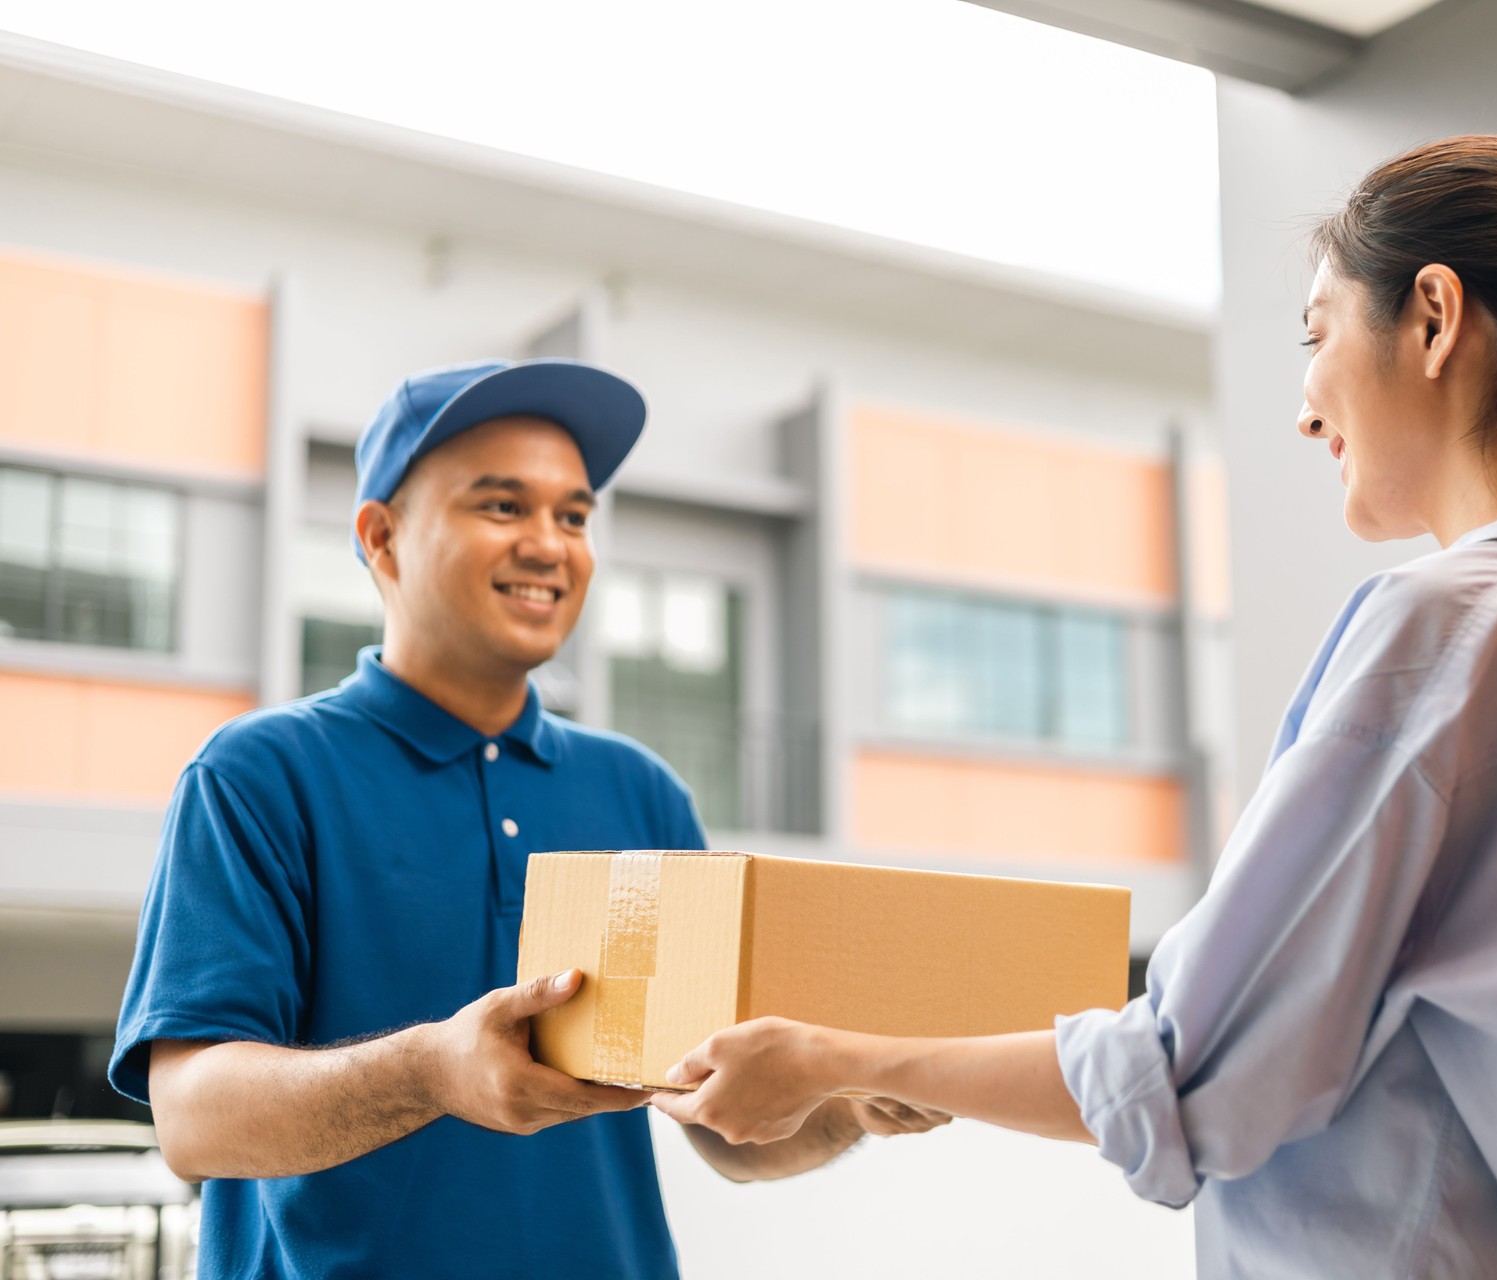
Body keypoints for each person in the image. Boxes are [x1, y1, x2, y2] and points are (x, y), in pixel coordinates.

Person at [648, 137, 1497, 1279]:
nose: (1308, 410)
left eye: (1316, 335)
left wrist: (824, 1058)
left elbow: (1190, 1072)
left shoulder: (1454, 627)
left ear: (1434, 315)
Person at [110, 358, 944, 1279]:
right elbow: (191, 1118)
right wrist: (433, 1070)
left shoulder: (641, 793)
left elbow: (729, 1128)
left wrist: (849, 1103)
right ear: (381, 537)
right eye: (502, 506)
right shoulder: (260, 775)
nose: (550, 544)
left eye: (575, 515)